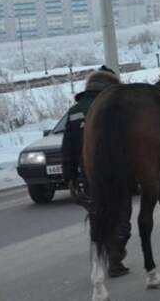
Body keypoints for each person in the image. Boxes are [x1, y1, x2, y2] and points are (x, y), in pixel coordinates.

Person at [61, 65, 130, 277]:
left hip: (89, 175)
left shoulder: (73, 112)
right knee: (121, 215)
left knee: (98, 214)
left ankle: (104, 256)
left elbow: (68, 148)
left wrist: (70, 178)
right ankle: (115, 258)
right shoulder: (115, 107)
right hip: (116, 173)